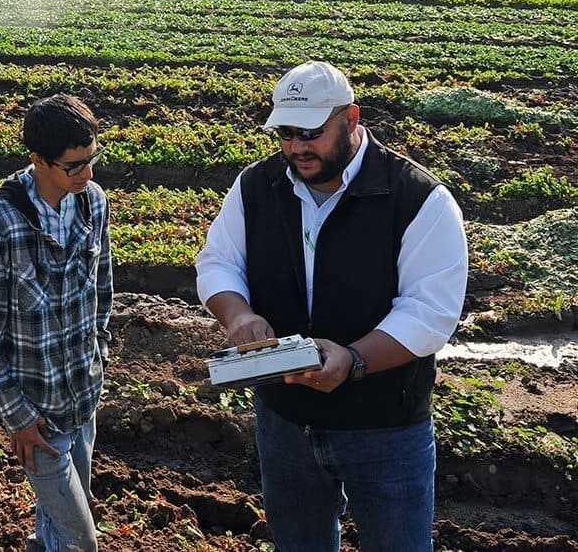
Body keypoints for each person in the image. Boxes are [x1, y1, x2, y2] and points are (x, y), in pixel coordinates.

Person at [196, 61, 468, 552]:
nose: (297, 147)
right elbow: (218, 262)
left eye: (311, 132)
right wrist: (239, 315)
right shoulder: (257, 187)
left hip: (384, 428)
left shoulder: (418, 198)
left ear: (351, 119)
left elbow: (430, 311)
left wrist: (354, 358)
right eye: (285, 133)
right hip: (286, 422)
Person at [0, 93, 112, 552]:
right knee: (81, 541)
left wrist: (100, 352)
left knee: (62, 517)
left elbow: (102, 287)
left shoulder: (91, 203)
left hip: (82, 397)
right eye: (74, 166)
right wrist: (18, 418)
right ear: (38, 160)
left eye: (92, 159)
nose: (87, 174)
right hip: (37, 416)